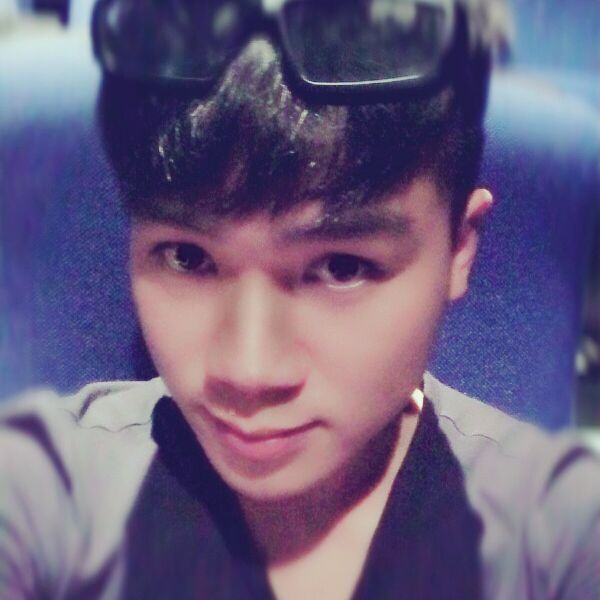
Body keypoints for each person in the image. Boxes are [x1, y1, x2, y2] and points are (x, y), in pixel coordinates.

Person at [1, 0, 599, 598]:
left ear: (460, 249)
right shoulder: (45, 486)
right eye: (187, 257)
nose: (249, 372)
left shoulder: (558, 528)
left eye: (341, 268)